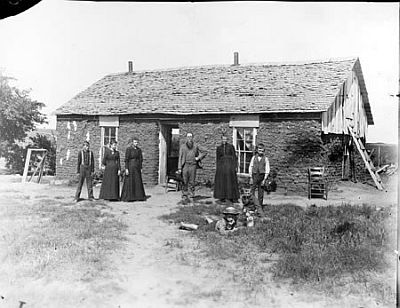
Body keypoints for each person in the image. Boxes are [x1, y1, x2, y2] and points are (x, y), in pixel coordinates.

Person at [178, 132, 208, 201]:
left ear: (192, 137)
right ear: (186, 137)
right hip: (185, 165)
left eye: (190, 136)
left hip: (193, 165)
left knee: (192, 181)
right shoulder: (183, 146)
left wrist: (198, 157)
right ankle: (184, 195)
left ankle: (191, 195)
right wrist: (179, 168)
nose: (189, 138)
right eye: (188, 136)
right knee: (184, 181)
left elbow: (205, 151)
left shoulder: (196, 145)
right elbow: (180, 157)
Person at [213, 135, 240, 204]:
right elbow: (218, 158)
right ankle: (222, 197)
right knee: (222, 182)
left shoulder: (231, 147)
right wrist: (218, 167)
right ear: (221, 140)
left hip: (229, 167)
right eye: (223, 139)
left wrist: (234, 166)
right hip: (222, 167)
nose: (224, 140)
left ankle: (231, 197)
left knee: (230, 181)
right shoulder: (219, 148)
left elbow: (234, 157)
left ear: (227, 140)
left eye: (225, 139)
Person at [120, 137, 146, 202]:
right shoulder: (129, 149)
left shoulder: (139, 150)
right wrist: (126, 168)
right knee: (130, 181)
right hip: (130, 167)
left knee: (137, 181)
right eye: (135, 142)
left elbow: (140, 159)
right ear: (132, 143)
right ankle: (129, 197)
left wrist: (140, 167)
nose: (136, 143)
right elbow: (126, 160)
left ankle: (138, 196)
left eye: (137, 142)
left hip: (137, 168)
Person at [249, 143, 270, 212]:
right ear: (257, 150)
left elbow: (267, 169)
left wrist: (264, 178)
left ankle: (259, 207)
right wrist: (251, 177)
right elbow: (251, 167)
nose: (260, 150)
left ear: (264, 150)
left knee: (260, 193)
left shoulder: (266, 159)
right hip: (254, 175)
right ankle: (252, 206)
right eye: (259, 149)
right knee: (252, 192)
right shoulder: (253, 158)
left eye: (262, 149)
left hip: (262, 176)